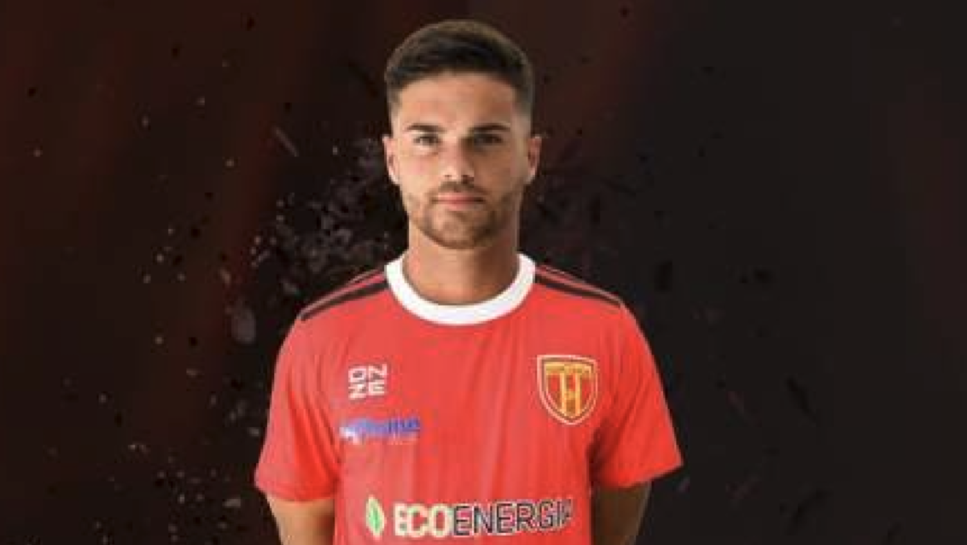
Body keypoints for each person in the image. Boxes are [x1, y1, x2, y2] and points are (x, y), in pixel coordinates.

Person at [253, 19, 683, 544]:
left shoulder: (605, 331)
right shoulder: (320, 339)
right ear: (392, 159)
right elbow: (306, 526)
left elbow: (617, 515)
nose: (456, 168)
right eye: (427, 140)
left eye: (485, 139)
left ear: (530, 157)